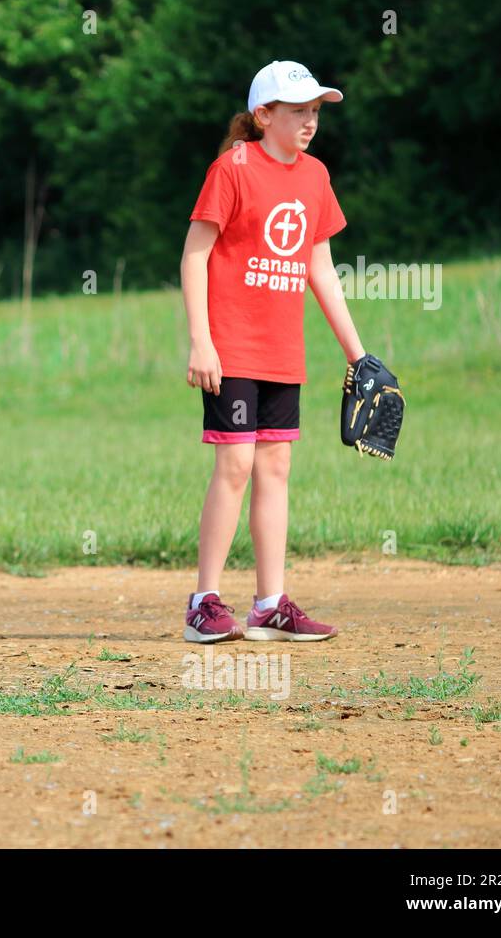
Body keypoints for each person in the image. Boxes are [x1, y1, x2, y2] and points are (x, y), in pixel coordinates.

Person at [180, 60, 366, 644]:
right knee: (234, 465)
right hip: (232, 347)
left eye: (316, 111)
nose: (310, 121)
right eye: (298, 111)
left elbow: (320, 269)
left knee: (276, 468)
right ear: (263, 117)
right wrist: (202, 341)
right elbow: (194, 256)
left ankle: (268, 605)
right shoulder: (232, 169)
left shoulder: (314, 177)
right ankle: (204, 601)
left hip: (283, 350)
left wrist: (357, 354)